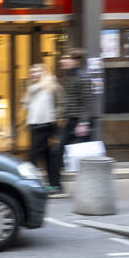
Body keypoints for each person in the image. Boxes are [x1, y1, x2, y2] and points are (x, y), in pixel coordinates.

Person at [23, 63, 63, 192]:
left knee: (33, 155)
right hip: (35, 125)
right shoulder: (31, 89)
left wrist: (57, 121)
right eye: (32, 72)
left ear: (44, 72)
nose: (34, 74)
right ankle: (55, 184)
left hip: (46, 125)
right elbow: (26, 106)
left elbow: (61, 104)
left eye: (37, 71)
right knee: (46, 155)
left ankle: (31, 184)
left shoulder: (52, 86)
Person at [59, 48, 96, 167]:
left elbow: (87, 101)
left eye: (66, 58)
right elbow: (71, 100)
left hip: (80, 121)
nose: (62, 61)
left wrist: (83, 123)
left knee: (83, 153)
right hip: (72, 119)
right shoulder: (70, 76)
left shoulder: (82, 77)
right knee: (61, 149)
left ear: (76, 61)